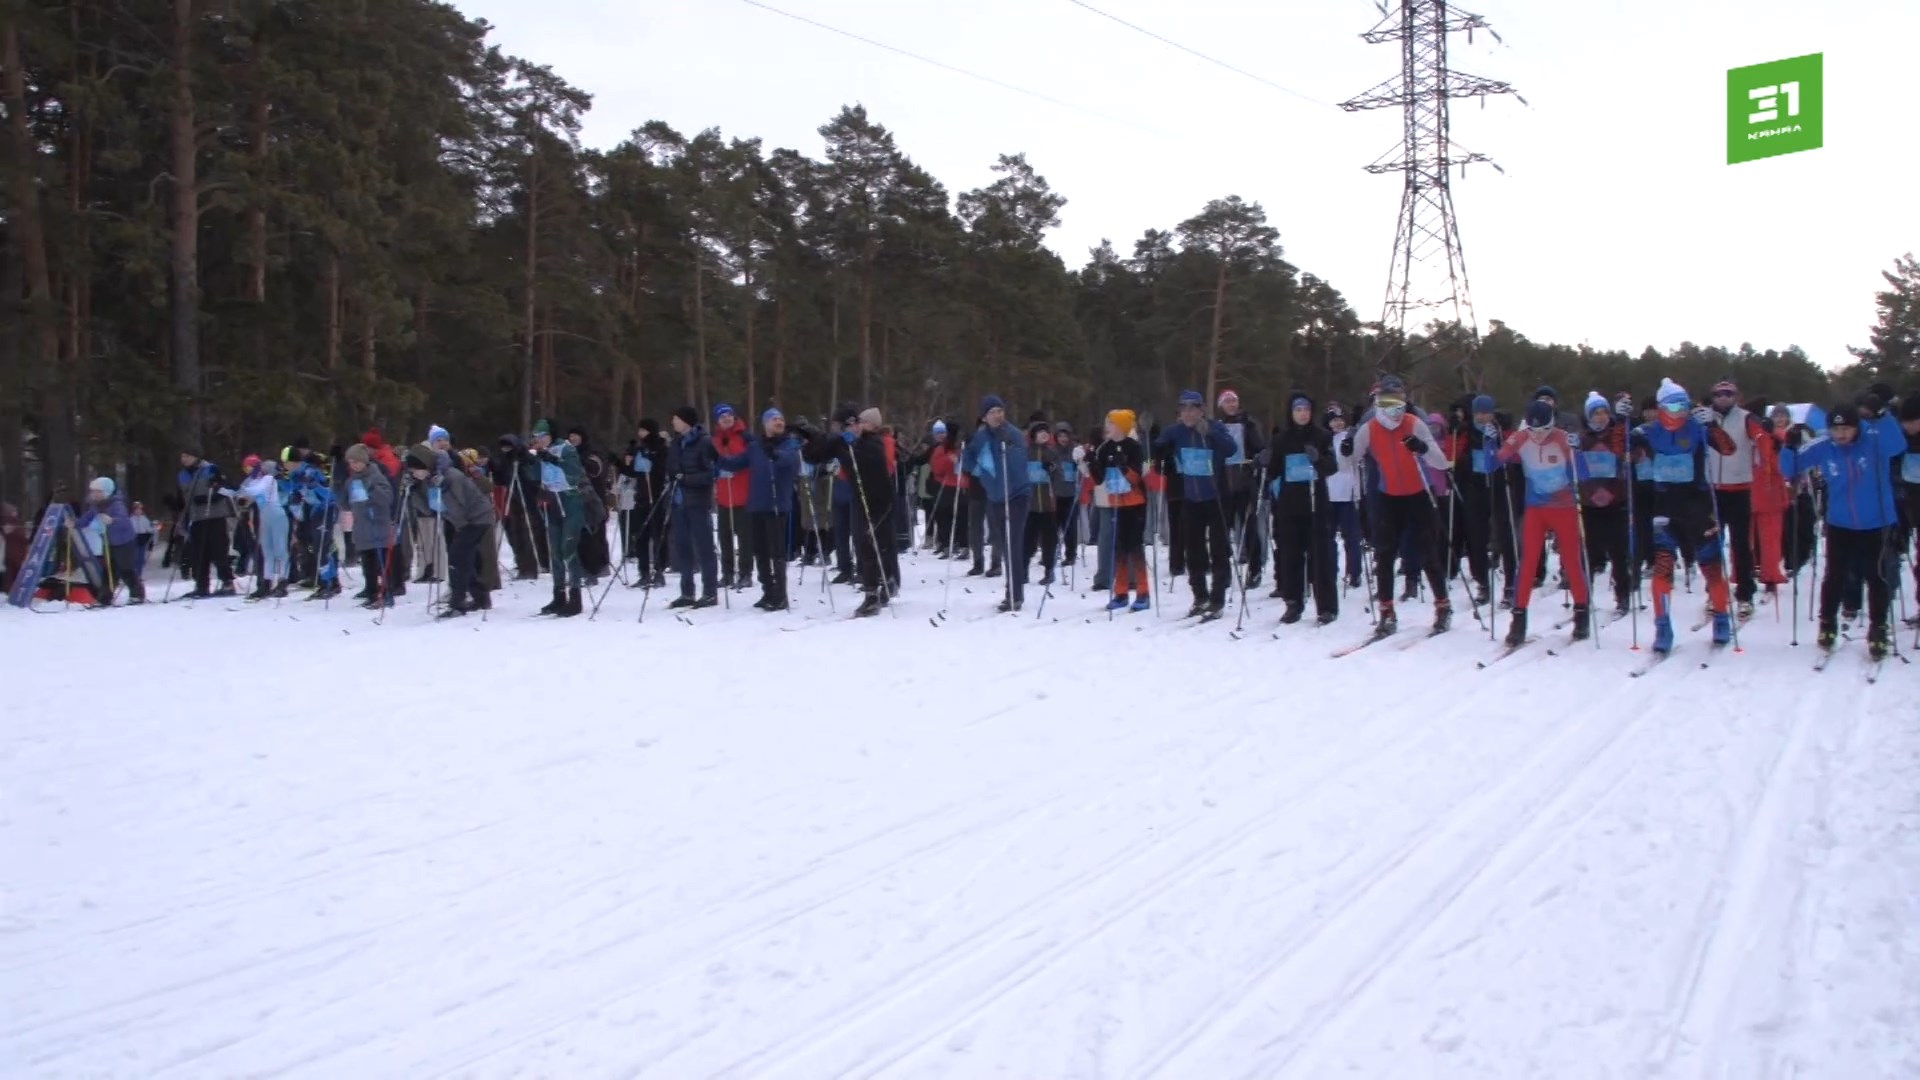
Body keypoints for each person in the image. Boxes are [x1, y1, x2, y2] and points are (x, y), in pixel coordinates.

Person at [1339, 375, 1454, 634]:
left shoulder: (1414, 423)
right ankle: (1386, 612)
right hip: (1388, 496)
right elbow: (1348, 464)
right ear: (1378, 403)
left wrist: (1422, 448)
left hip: (1418, 493)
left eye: (1400, 402)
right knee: (1385, 554)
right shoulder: (1370, 428)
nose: (1395, 409)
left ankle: (1443, 605)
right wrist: (1345, 449)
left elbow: (1440, 462)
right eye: (1389, 402)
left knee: (1427, 552)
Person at [1629, 378, 1737, 653]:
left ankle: (1721, 618)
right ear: (1661, 407)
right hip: (1665, 507)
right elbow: (1623, 451)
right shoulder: (1649, 432)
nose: (1678, 412)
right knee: (1663, 567)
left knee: (1710, 565)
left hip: (1698, 506)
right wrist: (1621, 420)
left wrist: (1712, 424)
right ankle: (1662, 626)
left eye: (1683, 405)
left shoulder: (1697, 427)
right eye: (1672, 406)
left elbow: (1728, 449)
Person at [1794, 401, 1905, 659]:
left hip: (1876, 521)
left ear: (1857, 427)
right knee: (1835, 574)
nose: (1841, 434)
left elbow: (1898, 446)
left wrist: (1883, 416)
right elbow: (1790, 465)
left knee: (1876, 576)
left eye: (1847, 428)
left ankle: (1878, 628)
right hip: (1840, 522)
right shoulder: (1824, 446)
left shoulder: (1874, 439)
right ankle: (1827, 623)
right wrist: (1789, 446)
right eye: (1836, 429)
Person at [1496, 400, 1593, 645]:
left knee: (1571, 561)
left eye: (1543, 431)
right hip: (1536, 509)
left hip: (1564, 508)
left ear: (1552, 425)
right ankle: (1518, 620)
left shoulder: (1562, 438)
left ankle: (1581, 613)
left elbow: (1583, 474)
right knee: (1527, 563)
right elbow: (1492, 463)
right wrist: (1490, 440)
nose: (1538, 436)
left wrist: (1577, 451)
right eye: (1533, 431)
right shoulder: (1521, 438)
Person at [797, 405, 895, 617]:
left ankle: (880, 587)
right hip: (860, 500)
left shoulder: (872, 440)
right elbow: (817, 455)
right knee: (863, 543)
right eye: (841, 427)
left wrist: (854, 450)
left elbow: (876, 462)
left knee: (872, 543)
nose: (849, 429)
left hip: (879, 500)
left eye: (851, 425)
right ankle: (874, 590)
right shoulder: (841, 441)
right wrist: (808, 442)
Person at [1153, 390, 1235, 619]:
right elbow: (1157, 447)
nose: (1188, 414)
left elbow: (1231, 449)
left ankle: (1217, 597)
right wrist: (1153, 439)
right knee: (1193, 549)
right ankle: (1200, 596)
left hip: (1216, 496)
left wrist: (1209, 432)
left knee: (1218, 548)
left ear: (1202, 410)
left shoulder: (1214, 427)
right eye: (1184, 409)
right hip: (1191, 498)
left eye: (1193, 409)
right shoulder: (1175, 431)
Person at [716, 407, 802, 611]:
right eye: (774, 419)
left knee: (777, 552)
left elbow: (791, 461)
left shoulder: (789, 443)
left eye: (781, 418)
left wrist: (776, 455)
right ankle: (768, 591)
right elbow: (736, 463)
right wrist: (716, 457)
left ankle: (781, 595)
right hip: (756, 504)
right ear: (765, 423)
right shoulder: (755, 446)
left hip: (777, 505)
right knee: (760, 551)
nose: (779, 422)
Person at [1266, 391, 1338, 624]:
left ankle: (1326, 606)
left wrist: (1318, 458)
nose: (1302, 413)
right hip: (1289, 505)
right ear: (1291, 412)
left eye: (1306, 409)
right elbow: (1273, 472)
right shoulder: (1281, 439)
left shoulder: (1322, 436)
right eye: (1298, 410)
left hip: (1316, 504)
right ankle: (1293, 603)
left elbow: (1331, 467)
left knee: (1320, 557)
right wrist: (1262, 463)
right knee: (1290, 557)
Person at [1702, 380, 1772, 620]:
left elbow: (1760, 438)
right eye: (1718, 394)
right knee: (1712, 544)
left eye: (1728, 394)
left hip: (1740, 487)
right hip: (1713, 489)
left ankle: (1745, 594)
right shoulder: (1704, 417)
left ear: (1736, 396)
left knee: (1741, 545)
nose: (1723, 398)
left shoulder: (1745, 417)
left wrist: (1767, 451)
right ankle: (1714, 591)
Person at [966, 395, 1031, 612]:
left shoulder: (1011, 434)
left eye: (1000, 411)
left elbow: (1017, 466)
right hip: (995, 497)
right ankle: (1013, 588)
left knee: (1013, 544)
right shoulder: (981, 437)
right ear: (984, 417)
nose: (997, 415)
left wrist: (1006, 448)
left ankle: (1015, 594)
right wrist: (966, 449)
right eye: (992, 412)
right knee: (1003, 543)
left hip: (1016, 496)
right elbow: (969, 464)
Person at [1574, 391, 1636, 617]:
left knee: (1619, 553)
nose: (1600, 417)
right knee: (1589, 553)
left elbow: (1626, 454)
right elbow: (1579, 471)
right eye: (1595, 413)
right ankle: (1583, 597)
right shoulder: (1582, 439)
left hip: (1615, 501)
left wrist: (1623, 424)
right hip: (1590, 505)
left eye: (1603, 412)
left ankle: (1623, 595)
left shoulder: (1616, 435)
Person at [1092, 409, 1152, 613]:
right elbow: (1098, 479)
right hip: (1115, 502)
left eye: (1111, 423)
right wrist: (1090, 461)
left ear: (1121, 426)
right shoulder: (1104, 448)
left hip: (1135, 503)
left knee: (1135, 547)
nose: (1107, 426)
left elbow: (1136, 477)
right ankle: (1121, 591)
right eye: (1107, 422)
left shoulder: (1134, 447)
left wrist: (1123, 466)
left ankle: (1143, 592)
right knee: (1119, 548)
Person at [529, 418, 587, 616]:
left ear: (550, 435)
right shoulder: (540, 451)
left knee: (568, 548)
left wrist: (553, 460)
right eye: (536, 437)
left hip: (570, 501)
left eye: (542, 436)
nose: (539, 440)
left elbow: (575, 474)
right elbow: (534, 475)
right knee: (555, 550)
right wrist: (530, 460)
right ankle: (559, 594)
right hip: (552, 502)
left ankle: (576, 596)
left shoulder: (565, 448)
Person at [665, 405, 720, 609]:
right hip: (679, 502)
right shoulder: (677, 443)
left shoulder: (703, 442)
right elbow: (671, 468)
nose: (673, 422)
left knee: (704, 547)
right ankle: (687, 592)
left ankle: (710, 592)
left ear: (686, 421)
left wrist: (686, 478)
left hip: (697, 501)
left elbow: (710, 473)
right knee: (683, 547)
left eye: (676, 419)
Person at [1215, 389, 1267, 589]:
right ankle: (1224, 572)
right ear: (1221, 405)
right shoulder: (1217, 426)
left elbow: (1259, 447)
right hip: (1224, 483)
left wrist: (1257, 462)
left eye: (1233, 401)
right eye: (1227, 402)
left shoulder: (1249, 423)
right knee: (1222, 529)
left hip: (1245, 481)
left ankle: (1255, 570)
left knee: (1249, 526)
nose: (1231, 405)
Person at [176, 448, 237, 599]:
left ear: (196, 457)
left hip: (214, 514)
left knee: (218, 550)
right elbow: (183, 496)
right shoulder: (183, 475)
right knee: (198, 553)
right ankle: (201, 585)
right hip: (196, 517)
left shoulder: (210, 469)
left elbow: (225, 487)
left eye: (187, 455)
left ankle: (227, 582)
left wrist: (215, 491)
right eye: (182, 456)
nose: (184, 459)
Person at [342, 443, 396, 608]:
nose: (355, 465)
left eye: (357, 461)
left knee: (382, 564)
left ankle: (387, 592)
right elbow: (350, 501)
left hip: (377, 525)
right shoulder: (352, 480)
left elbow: (387, 499)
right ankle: (371, 590)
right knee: (367, 564)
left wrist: (372, 491)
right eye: (351, 462)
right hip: (362, 527)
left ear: (365, 461)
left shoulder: (376, 477)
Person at [79, 477, 143, 604]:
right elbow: (86, 518)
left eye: (98, 491)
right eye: (93, 491)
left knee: (125, 568)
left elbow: (123, 520)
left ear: (106, 492)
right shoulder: (96, 506)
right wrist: (75, 524)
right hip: (108, 542)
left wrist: (112, 520)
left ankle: (137, 594)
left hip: (124, 541)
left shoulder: (116, 504)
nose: (94, 494)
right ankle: (105, 596)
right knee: (108, 570)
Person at [711, 404, 754, 589]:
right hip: (723, 494)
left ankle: (746, 573)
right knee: (724, 536)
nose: (726, 419)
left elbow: (750, 459)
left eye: (728, 415)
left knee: (744, 537)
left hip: (743, 493)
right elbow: (710, 461)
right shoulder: (715, 439)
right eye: (722, 417)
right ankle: (727, 573)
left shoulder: (745, 436)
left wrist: (732, 465)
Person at [240, 455, 291, 600]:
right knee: (266, 550)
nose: (247, 470)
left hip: (277, 516)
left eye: (249, 467)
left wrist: (241, 491)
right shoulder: (253, 481)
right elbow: (248, 495)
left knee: (280, 549)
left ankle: (282, 581)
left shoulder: (268, 479)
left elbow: (255, 491)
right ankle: (266, 582)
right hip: (264, 518)